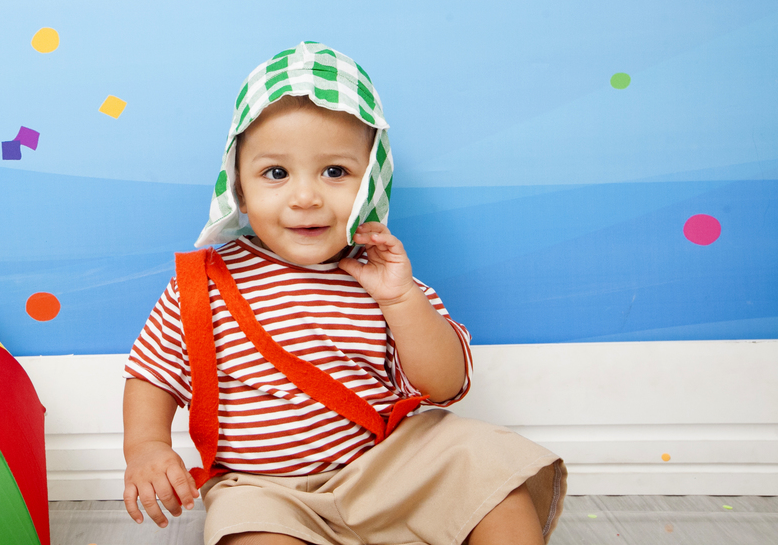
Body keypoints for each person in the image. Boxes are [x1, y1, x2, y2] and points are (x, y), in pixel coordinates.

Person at [121, 42, 565, 545]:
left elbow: (446, 385)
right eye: (276, 173)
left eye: (335, 172)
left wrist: (400, 300)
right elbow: (152, 374)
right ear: (239, 188)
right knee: (247, 530)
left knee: (484, 461)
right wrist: (147, 446)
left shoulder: (382, 275)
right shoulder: (201, 283)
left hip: (387, 469)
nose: (305, 197)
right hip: (264, 489)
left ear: (371, 182)